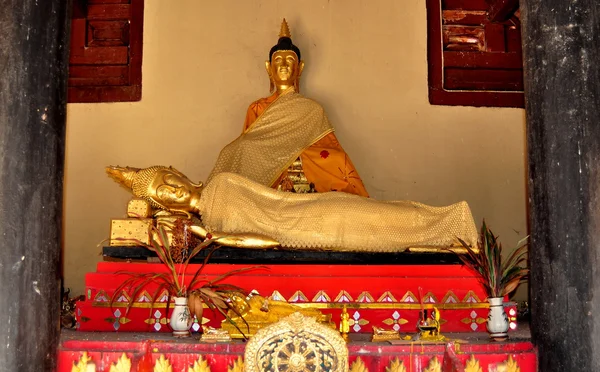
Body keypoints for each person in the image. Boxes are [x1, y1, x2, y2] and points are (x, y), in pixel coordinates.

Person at [106, 165, 478, 252]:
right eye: (162, 193)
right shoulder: (212, 223)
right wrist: (205, 232)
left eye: (168, 178)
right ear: (160, 205)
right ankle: (449, 236)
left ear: (178, 171)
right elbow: (262, 240)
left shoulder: (223, 179)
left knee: (384, 213)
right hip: (301, 233)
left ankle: (452, 223)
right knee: (379, 234)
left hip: (311, 207)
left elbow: (273, 198)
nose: (171, 189)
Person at [206, 19, 369, 197]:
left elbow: (327, 147)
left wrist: (294, 153)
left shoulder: (312, 109)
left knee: (338, 159)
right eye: (278, 60)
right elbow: (248, 147)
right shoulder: (257, 107)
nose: (283, 65)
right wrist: (276, 155)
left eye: (290, 60)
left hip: (302, 164)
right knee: (239, 148)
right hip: (267, 166)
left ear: (299, 68)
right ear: (269, 68)